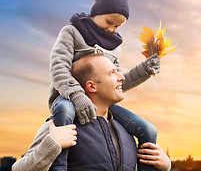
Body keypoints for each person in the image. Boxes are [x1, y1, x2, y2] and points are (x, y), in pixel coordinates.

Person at [48, 0, 160, 171]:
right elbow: (58, 67)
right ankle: (59, 166)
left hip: (102, 104)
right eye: (109, 22)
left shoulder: (115, 47)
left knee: (148, 129)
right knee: (65, 113)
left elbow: (117, 81)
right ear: (96, 13)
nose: (112, 29)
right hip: (67, 97)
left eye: (118, 26)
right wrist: (77, 96)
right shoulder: (72, 33)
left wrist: (145, 69)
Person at [12, 54, 171, 171]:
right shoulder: (60, 128)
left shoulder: (127, 131)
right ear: (92, 86)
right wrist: (52, 144)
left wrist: (164, 165)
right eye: (112, 73)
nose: (121, 77)